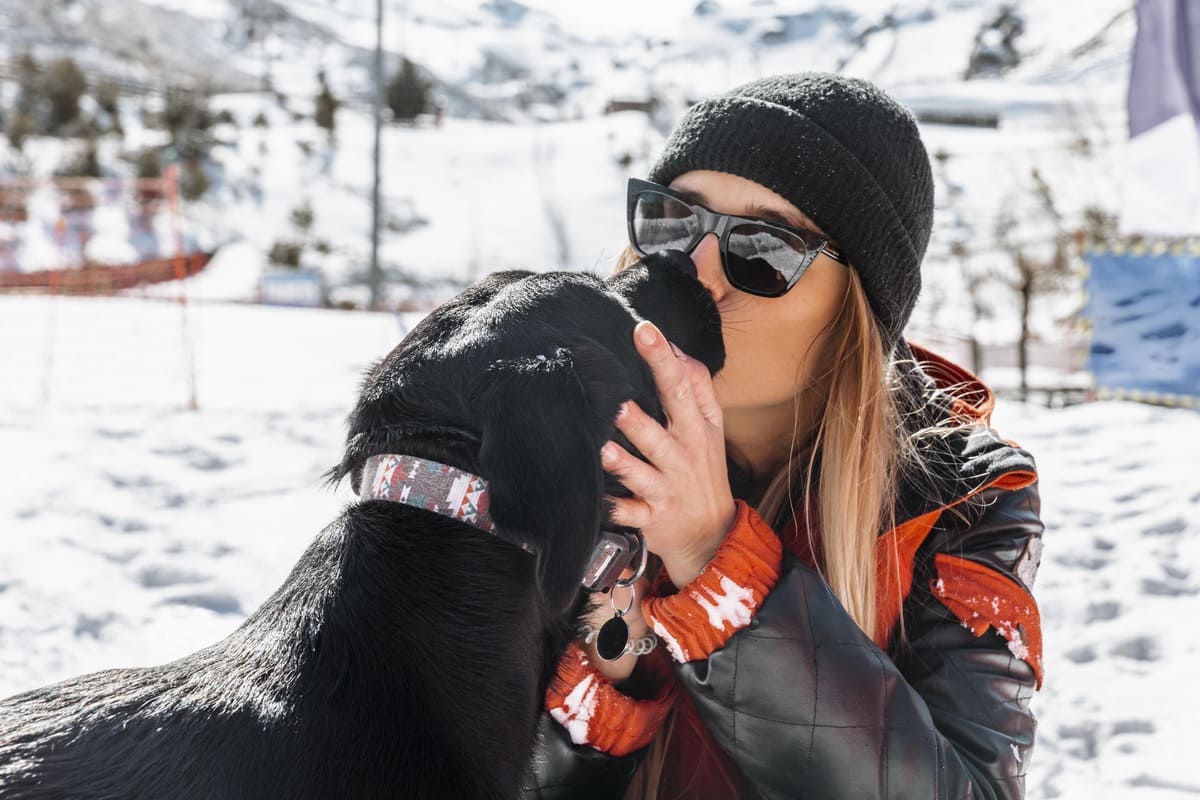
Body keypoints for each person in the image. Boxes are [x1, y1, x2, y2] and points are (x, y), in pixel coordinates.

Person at [523, 73, 1044, 800]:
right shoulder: (550, 449)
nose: (696, 273)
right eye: (674, 223)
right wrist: (608, 680)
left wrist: (718, 567)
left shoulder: (956, 498)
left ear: (858, 309)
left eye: (764, 249)